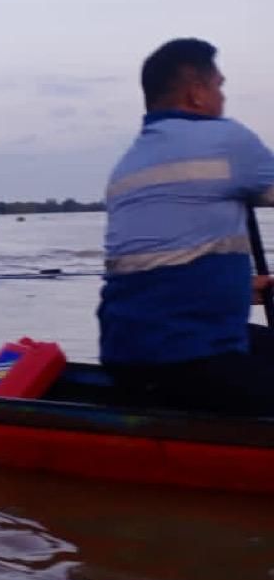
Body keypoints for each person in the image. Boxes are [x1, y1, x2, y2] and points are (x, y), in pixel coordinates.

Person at [98, 38, 274, 414]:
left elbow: (157, 271)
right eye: (218, 86)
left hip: (124, 356)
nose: (222, 98)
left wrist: (239, 292)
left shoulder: (126, 166)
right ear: (196, 93)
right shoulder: (226, 139)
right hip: (195, 362)